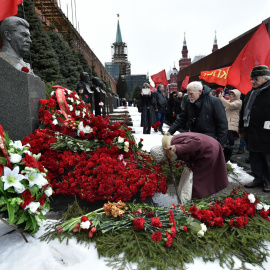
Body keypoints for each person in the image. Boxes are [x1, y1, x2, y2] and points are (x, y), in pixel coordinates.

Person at [150, 133, 229, 199]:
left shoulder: (174, 144)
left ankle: (196, 201)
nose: (164, 163)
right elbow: (188, 153)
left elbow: (198, 142)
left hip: (208, 151)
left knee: (196, 179)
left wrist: (178, 147)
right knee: (193, 175)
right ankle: (196, 199)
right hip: (207, 148)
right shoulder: (171, 145)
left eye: (163, 162)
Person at [166, 81, 228, 148]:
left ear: (200, 91)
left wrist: (220, 144)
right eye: (188, 94)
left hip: (209, 140)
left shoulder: (214, 101)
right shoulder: (189, 102)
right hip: (194, 137)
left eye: (191, 94)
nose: (189, 96)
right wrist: (170, 131)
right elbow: (182, 118)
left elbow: (222, 124)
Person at [239, 65, 270, 192]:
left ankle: (268, 181)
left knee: (267, 158)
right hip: (251, 131)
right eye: (252, 79)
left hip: (267, 132)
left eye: (256, 79)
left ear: (265, 78)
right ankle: (258, 179)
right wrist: (241, 128)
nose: (253, 81)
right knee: (254, 157)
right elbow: (243, 111)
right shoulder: (250, 93)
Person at [218, 89, 242, 161]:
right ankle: (227, 152)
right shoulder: (230, 101)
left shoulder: (239, 102)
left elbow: (229, 105)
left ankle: (230, 151)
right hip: (227, 121)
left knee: (230, 137)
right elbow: (223, 103)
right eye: (230, 94)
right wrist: (220, 98)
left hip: (232, 122)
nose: (231, 95)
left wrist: (221, 98)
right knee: (227, 137)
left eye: (233, 94)